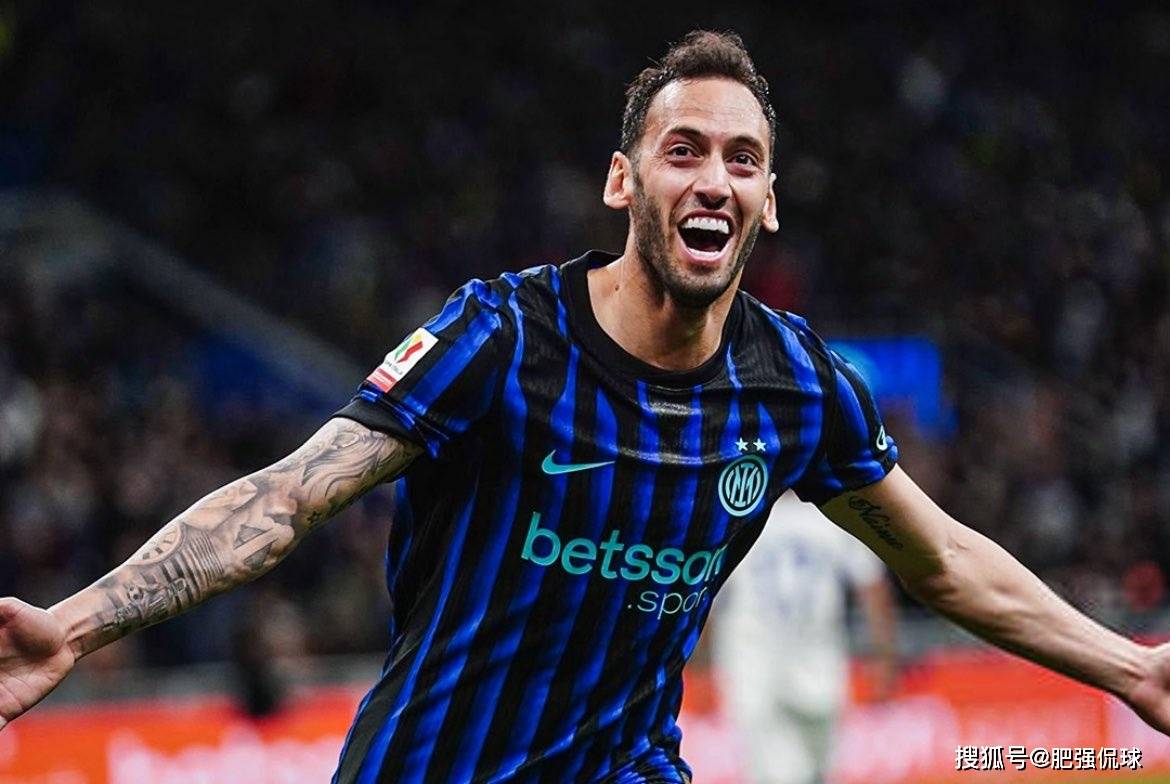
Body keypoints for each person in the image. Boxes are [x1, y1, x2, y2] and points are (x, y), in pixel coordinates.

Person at [1, 29, 1169, 784]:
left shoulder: (796, 384)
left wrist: (1127, 668)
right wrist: (78, 626)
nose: (714, 178)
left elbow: (944, 561)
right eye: (684, 150)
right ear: (624, 180)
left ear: (768, 201)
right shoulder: (501, 337)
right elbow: (286, 500)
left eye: (743, 160)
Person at [711, 490, 898, 784]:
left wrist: (884, 656)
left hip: (817, 657)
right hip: (753, 657)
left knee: (818, 768)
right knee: (767, 770)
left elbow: (871, 582)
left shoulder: (834, 511)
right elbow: (710, 589)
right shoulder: (742, 512)